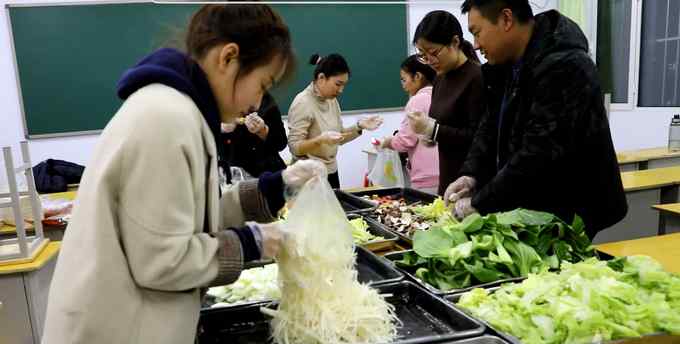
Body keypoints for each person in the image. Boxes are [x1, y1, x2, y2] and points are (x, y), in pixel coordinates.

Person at [42, 5, 326, 344]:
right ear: (228, 58)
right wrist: (252, 242)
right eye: (262, 83)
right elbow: (163, 260)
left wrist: (273, 188)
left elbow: (185, 217)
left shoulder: (182, 112)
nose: (258, 101)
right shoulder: (166, 119)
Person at [446, 0, 627, 239]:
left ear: (506, 19)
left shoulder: (565, 65)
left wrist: (480, 202)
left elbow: (539, 153)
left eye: (477, 32)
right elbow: (489, 126)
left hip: (565, 211)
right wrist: (471, 174)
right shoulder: (506, 66)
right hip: (527, 205)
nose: (476, 45)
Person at [407, 10, 486, 195]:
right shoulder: (441, 78)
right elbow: (445, 126)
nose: (429, 61)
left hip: (470, 184)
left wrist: (433, 130)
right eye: (422, 54)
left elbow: (479, 137)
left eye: (433, 52)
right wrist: (428, 134)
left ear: (455, 42)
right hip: (447, 177)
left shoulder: (477, 77)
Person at [287, 53, 384, 189]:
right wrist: (320, 140)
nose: (341, 90)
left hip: (331, 172)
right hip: (308, 176)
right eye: (338, 84)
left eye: (343, 85)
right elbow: (294, 147)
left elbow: (338, 137)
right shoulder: (302, 103)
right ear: (321, 78)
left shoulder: (331, 100)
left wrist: (359, 126)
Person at [377, 55, 439, 194]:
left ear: (417, 76)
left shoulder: (417, 100)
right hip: (446, 171)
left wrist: (388, 142)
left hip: (426, 176)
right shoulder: (441, 94)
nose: (403, 85)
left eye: (404, 79)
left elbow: (406, 141)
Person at [220, 91, 287, 178]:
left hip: (268, 173)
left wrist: (263, 131)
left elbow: (281, 143)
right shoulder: (216, 99)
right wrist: (225, 132)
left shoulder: (264, 99)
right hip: (232, 177)